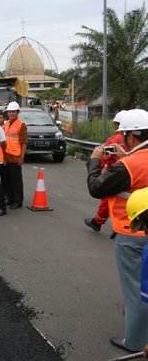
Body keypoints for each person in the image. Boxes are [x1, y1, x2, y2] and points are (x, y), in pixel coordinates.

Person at [87, 109, 148, 352]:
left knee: (135, 289)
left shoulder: (128, 165)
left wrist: (94, 160)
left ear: (131, 137)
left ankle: (134, 342)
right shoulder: (132, 159)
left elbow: (97, 188)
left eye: (123, 135)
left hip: (131, 233)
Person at [85, 110, 128, 231]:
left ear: (117, 124)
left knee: (106, 200)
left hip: (115, 174)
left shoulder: (113, 140)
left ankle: (97, 222)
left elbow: (102, 158)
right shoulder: (138, 141)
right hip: (132, 176)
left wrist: (96, 168)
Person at [3, 101, 28, 209]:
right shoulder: (7, 123)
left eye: (13, 112)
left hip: (16, 157)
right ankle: (10, 198)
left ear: (17, 112)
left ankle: (18, 201)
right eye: (10, 112)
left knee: (16, 181)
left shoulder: (21, 125)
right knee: (7, 180)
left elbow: (24, 142)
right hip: (7, 157)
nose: (11, 114)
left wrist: (22, 156)